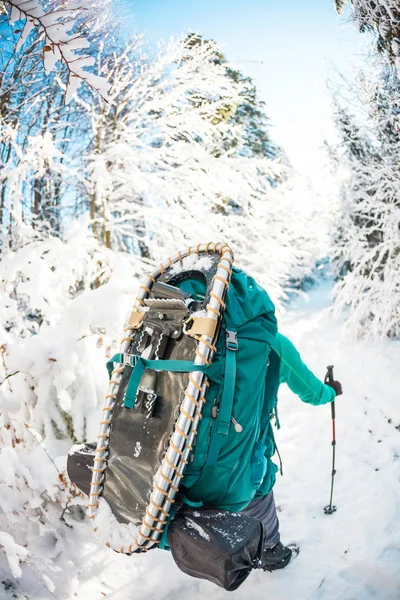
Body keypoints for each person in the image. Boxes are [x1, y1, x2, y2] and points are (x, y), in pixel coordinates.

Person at [241, 332, 343, 572]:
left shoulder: (188, 329)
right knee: (255, 486)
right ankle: (271, 552)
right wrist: (330, 392)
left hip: (186, 442)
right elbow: (312, 391)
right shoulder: (270, 340)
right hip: (247, 443)